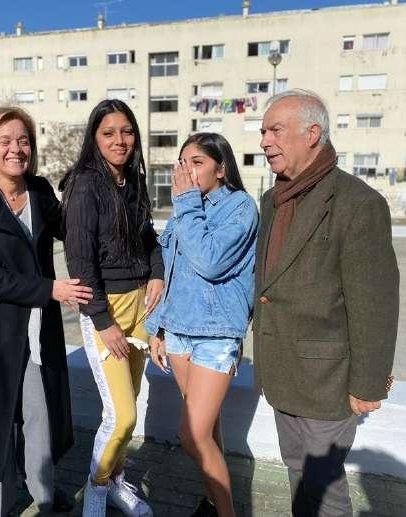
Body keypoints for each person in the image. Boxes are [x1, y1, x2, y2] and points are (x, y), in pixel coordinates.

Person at [0, 106, 93, 517]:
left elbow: (73, 230)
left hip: (35, 325)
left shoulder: (39, 191)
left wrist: (90, 185)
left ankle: (44, 494)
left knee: (39, 411)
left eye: (23, 140)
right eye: (5, 140)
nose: (16, 149)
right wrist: (51, 289)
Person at [254, 89, 399, 516]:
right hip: (282, 373)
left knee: (324, 491)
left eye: (275, 130)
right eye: (263, 132)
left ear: (312, 133)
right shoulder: (273, 199)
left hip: (327, 382)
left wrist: (368, 384)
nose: (264, 141)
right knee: (297, 474)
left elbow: (375, 302)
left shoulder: (358, 203)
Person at [61, 99, 164, 517]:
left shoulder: (132, 179)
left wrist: (157, 272)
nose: (120, 140)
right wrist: (103, 321)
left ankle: (117, 481)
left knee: (130, 404)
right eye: (108, 133)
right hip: (108, 311)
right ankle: (97, 487)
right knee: (121, 416)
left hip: (141, 306)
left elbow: (148, 236)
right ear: (95, 138)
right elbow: (80, 262)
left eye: (127, 131)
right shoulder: (85, 184)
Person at [146, 133, 258, 517]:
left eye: (197, 162)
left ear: (221, 168)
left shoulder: (240, 207)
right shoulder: (186, 206)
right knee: (207, 432)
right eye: (183, 163)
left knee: (191, 436)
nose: (187, 171)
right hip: (178, 331)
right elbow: (170, 269)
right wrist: (157, 327)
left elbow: (210, 261)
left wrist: (186, 203)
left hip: (216, 335)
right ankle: (212, 502)